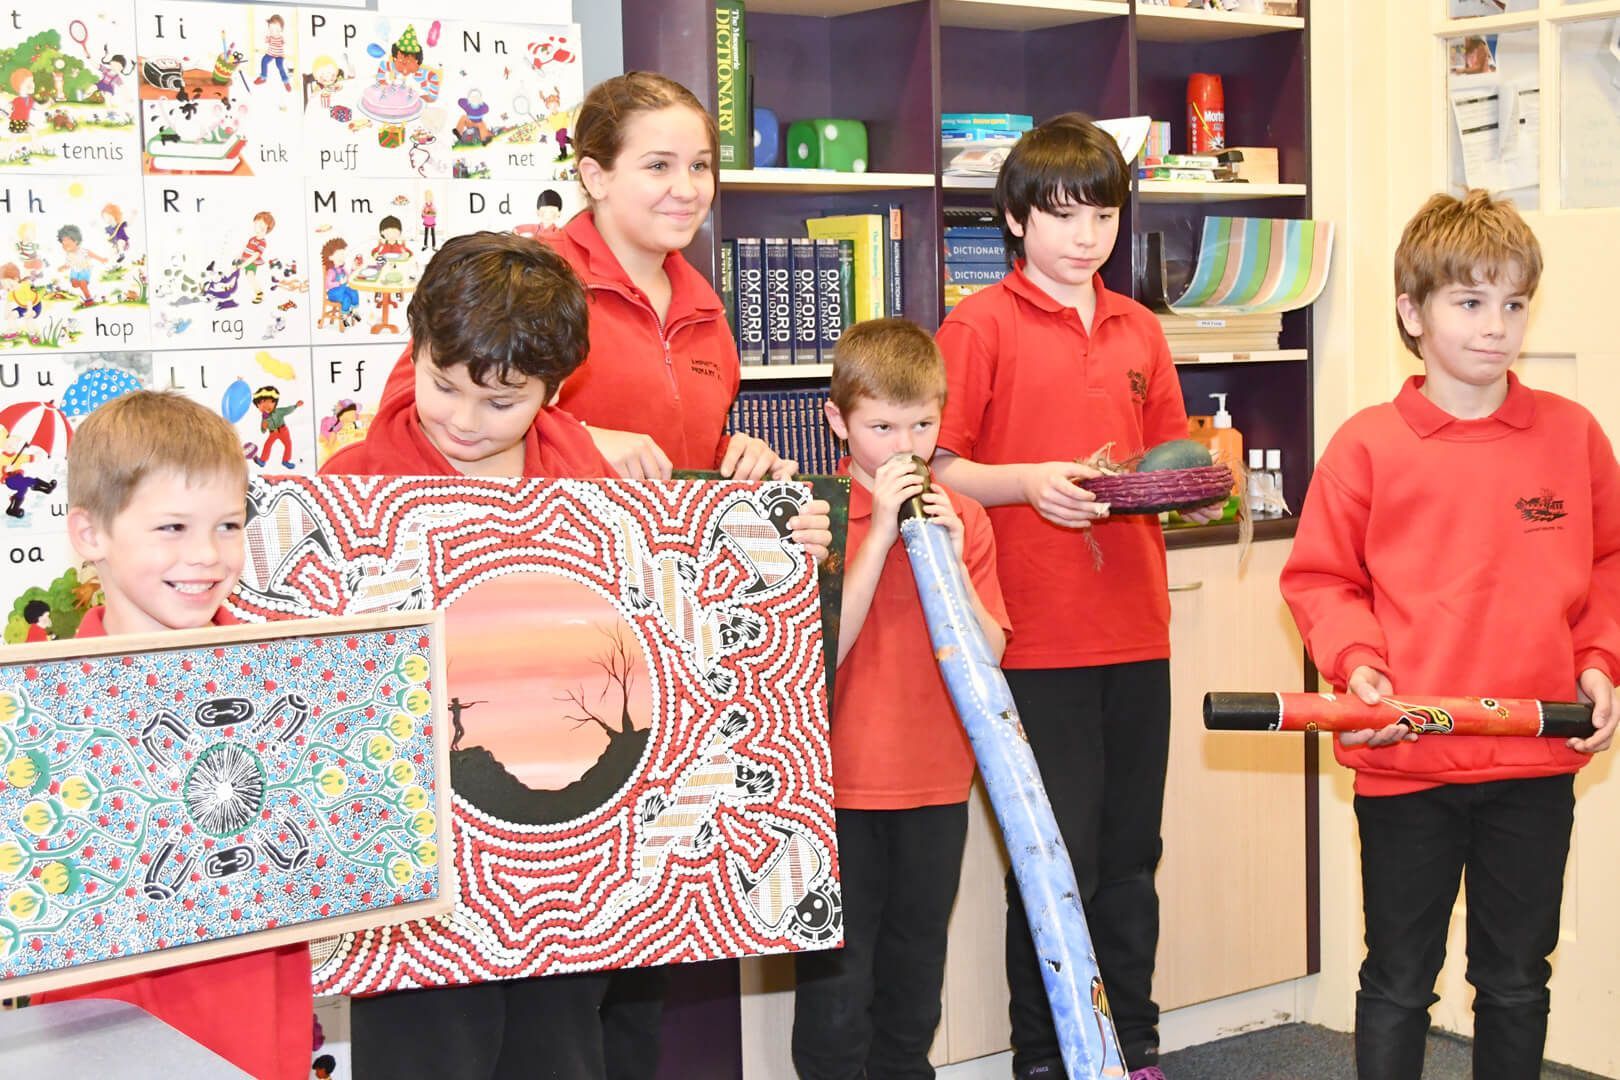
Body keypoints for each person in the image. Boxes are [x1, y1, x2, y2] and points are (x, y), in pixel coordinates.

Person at [1279, 189, 1620, 1080]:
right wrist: (1357, 667)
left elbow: (1610, 567)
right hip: (1408, 760)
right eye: (1469, 302)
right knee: (1398, 978)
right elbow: (1322, 580)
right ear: (1412, 312)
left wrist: (1598, 662)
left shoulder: (1574, 438)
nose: (1495, 327)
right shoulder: (1366, 447)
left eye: (1513, 304)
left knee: (1514, 978)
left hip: (1533, 763)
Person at [931, 113, 1221, 1080]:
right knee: (1053, 862)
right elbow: (934, 467)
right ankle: (1047, 1055)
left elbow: (1166, 455)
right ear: (1016, 221)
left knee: (1134, 855)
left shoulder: (1141, 326)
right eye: (1061, 216)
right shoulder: (977, 326)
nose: (1084, 235)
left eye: (1101, 214)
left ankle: (1134, 1043)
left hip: (1137, 625)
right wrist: (1030, 484)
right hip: (1031, 635)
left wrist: (1192, 479)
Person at [321, 230, 621, 1079]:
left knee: (560, 1055)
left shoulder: (584, 475)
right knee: (429, 1058)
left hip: (558, 859)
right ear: (413, 351)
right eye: (442, 385)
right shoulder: (354, 488)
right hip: (419, 867)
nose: (461, 419)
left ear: (554, 391)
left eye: (501, 403)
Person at [35, 389, 312, 1080]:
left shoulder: (285, 677)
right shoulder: (41, 706)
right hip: (99, 1034)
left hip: (255, 1024)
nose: (208, 555)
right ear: (89, 534)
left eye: (227, 525)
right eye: (172, 528)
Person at [792, 318, 1010, 1079]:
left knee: (915, 980)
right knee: (837, 992)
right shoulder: (813, 518)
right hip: (837, 791)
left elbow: (993, 655)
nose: (903, 448)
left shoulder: (966, 519)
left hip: (936, 784)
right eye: (881, 427)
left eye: (922, 424)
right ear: (838, 423)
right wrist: (880, 532)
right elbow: (819, 655)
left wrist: (946, 553)